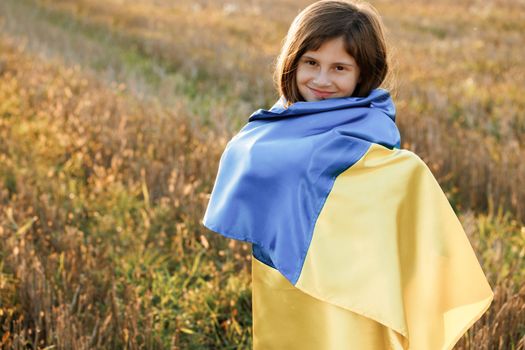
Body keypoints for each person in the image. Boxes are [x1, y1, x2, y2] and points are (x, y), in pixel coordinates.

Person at [202, 1, 494, 349]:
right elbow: (246, 156)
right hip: (286, 284)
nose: (322, 80)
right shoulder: (281, 121)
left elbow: (407, 200)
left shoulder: (370, 134)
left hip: (354, 296)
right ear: (292, 62)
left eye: (339, 67)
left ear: (363, 74)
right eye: (311, 63)